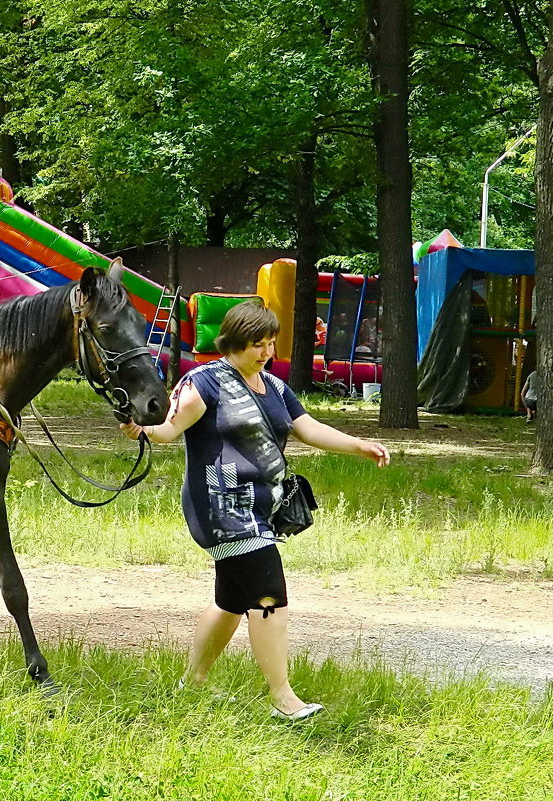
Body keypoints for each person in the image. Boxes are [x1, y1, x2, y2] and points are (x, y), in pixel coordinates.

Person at [121, 301, 389, 721]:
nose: (265, 353)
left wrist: (358, 445)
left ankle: (191, 684)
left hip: (263, 507)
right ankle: (283, 698)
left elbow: (308, 427)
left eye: (269, 344)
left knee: (230, 600)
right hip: (222, 508)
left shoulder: (275, 386)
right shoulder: (202, 383)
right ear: (232, 343)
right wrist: (141, 429)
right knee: (269, 595)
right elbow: (170, 429)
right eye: (255, 345)